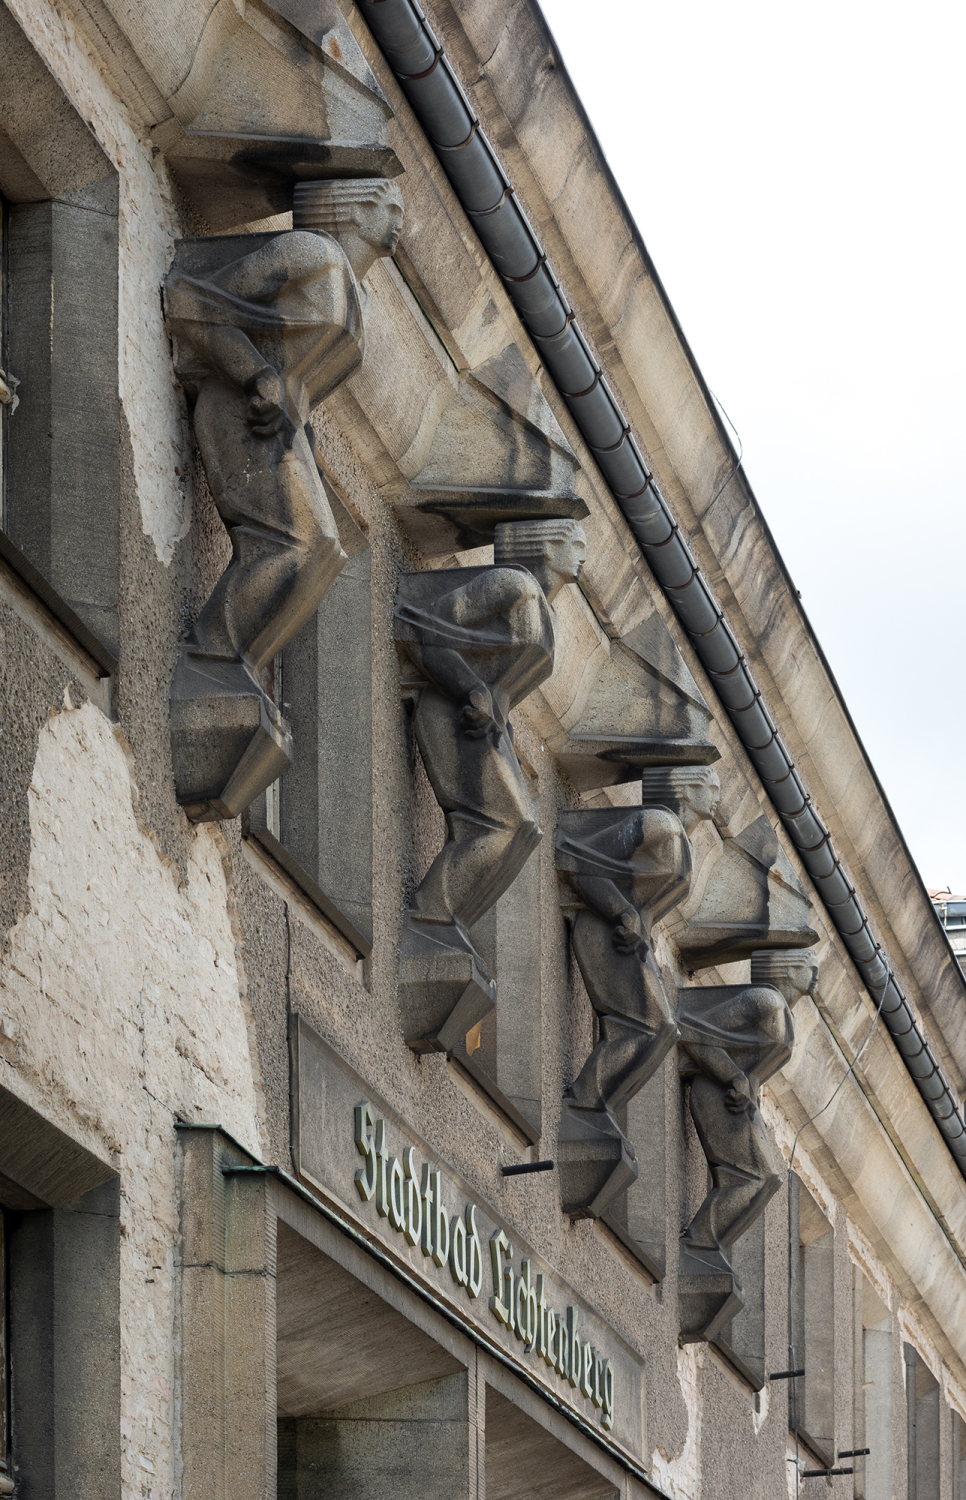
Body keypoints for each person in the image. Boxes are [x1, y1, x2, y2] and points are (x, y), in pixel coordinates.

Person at [164, 178, 403, 686]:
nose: (401, 221)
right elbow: (198, 305)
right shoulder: (309, 251)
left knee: (321, 552)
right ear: (355, 210)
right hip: (238, 406)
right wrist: (255, 374)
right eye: (389, 205)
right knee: (298, 545)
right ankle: (212, 657)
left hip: (277, 423)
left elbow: (303, 378)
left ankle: (234, 663)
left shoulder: (351, 293)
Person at [396, 519, 587, 961]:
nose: (581, 554)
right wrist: (468, 688)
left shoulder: (546, 611)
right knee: (503, 826)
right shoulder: (511, 584)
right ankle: (431, 914)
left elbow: (507, 683)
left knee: (524, 830)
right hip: (453, 707)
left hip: (486, 721)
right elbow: (425, 627)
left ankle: (451, 921)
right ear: (546, 544)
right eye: (573, 542)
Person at [555, 767, 721, 1214]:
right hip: (603, 928)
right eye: (710, 784)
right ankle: (585, 1101)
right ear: (685, 786)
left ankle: (593, 1102)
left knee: (661, 1028)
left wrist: (636, 922)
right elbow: (576, 858)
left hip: (627, 939)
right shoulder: (658, 824)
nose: (718, 794)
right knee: (653, 1027)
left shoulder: (681, 843)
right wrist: (621, 911)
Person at [678, 947, 818, 1273]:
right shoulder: (763, 1000)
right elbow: (694, 1032)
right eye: (810, 967)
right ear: (788, 969)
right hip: (716, 1090)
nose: (816, 976)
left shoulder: (784, 1014)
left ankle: (708, 1245)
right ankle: (698, 1244)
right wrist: (733, 1077)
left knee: (766, 1179)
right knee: (753, 1177)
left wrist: (747, 1088)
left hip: (739, 1099)